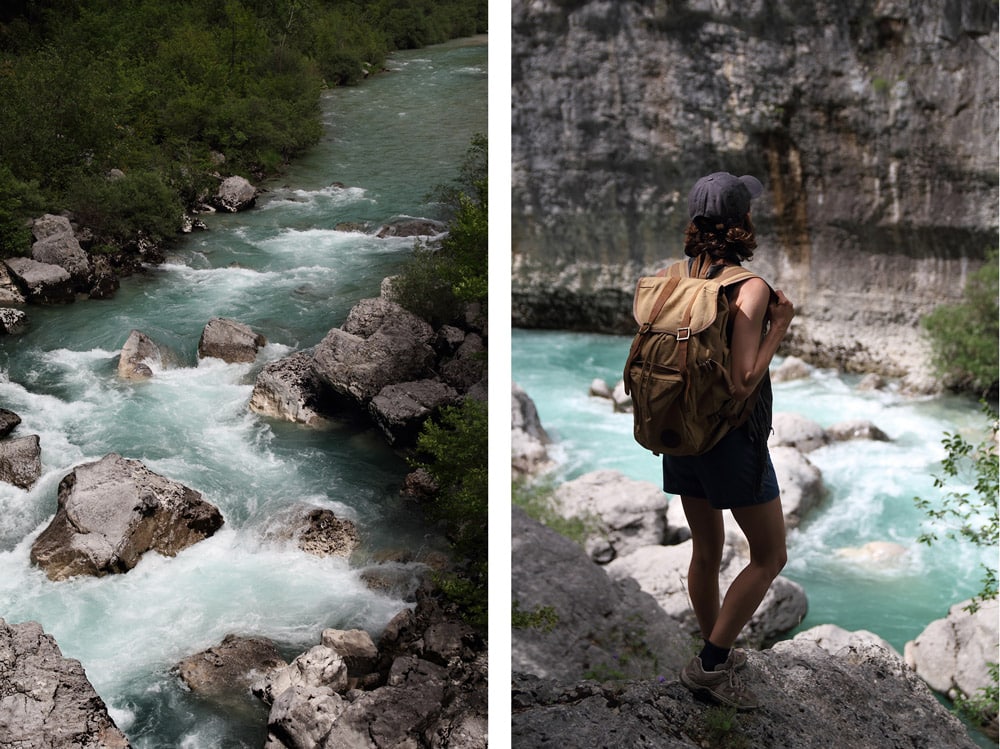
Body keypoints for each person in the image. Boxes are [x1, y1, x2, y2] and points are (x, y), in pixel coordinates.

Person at [665, 172, 795, 710]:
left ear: (696, 222)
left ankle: (712, 647)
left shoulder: (672, 279)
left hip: (679, 430)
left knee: (707, 548)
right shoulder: (749, 287)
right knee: (769, 556)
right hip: (730, 438)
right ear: (742, 222)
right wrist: (778, 327)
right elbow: (743, 380)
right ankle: (712, 667)